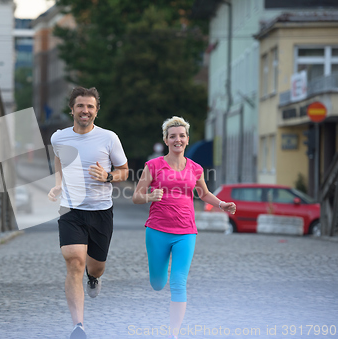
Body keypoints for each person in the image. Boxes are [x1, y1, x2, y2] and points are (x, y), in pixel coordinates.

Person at [132, 116, 236, 339]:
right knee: (158, 283)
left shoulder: (196, 169)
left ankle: (174, 333)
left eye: (181, 136)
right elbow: (136, 197)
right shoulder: (153, 166)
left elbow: (204, 193)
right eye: (172, 136)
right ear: (166, 140)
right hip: (157, 230)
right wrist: (150, 196)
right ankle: (158, 280)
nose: (177, 139)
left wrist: (221, 204)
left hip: (186, 232)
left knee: (178, 282)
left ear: (187, 139)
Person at [48, 87, 129, 339]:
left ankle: (93, 279)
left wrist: (107, 176)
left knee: (95, 267)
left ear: (96, 110)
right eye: (81, 106)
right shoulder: (58, 138)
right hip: (71, 209)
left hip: (100, 211)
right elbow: (58, 160)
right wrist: (58, 183)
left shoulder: (109, 138)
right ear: (71, 109)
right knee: (74, 262)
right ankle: (78, 326)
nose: (85, 111)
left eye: (90, 107)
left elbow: (124, 171)